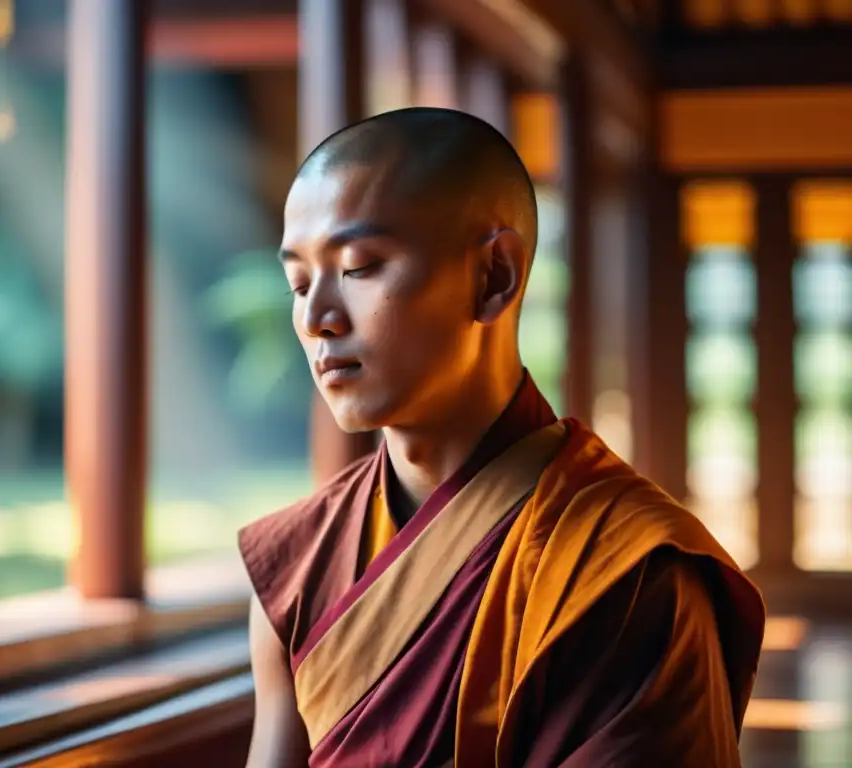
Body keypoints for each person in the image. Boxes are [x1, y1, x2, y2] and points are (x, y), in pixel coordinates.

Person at [238, 107, 765, 768]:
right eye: (298, 282)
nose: (316, 317)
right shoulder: (297, 565)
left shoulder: (622, 571)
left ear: (495, 276)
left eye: (360, 266)